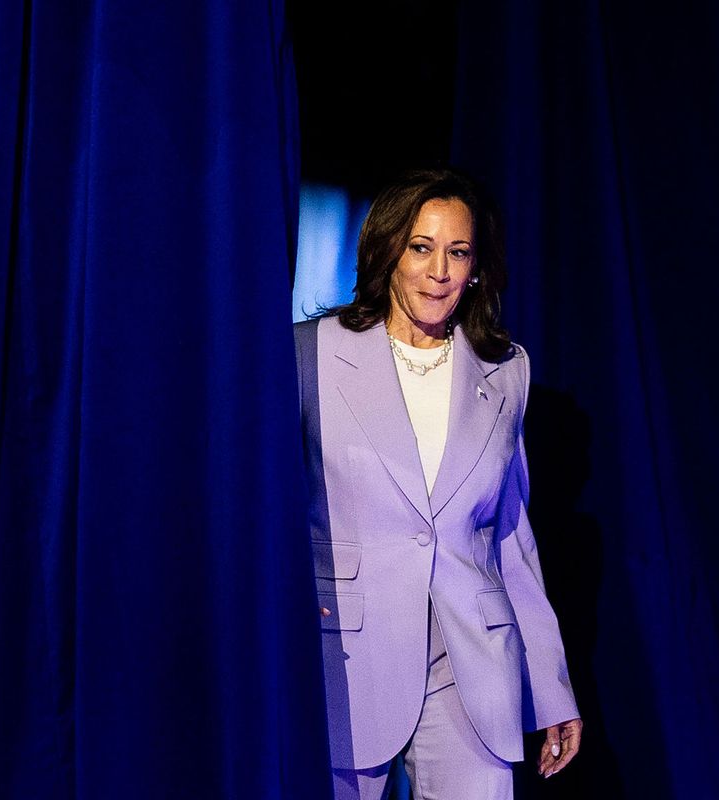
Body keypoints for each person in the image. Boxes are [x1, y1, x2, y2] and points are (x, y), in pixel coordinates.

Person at [294, 167, 582, 800]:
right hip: (343, 648)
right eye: (421, 247)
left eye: (458, 252)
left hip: (469, 660)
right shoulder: (310, 354)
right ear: (388, 250)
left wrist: (551, 685)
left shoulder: (505, 371)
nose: (439, 270)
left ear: (477, 267)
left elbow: (510, 536)